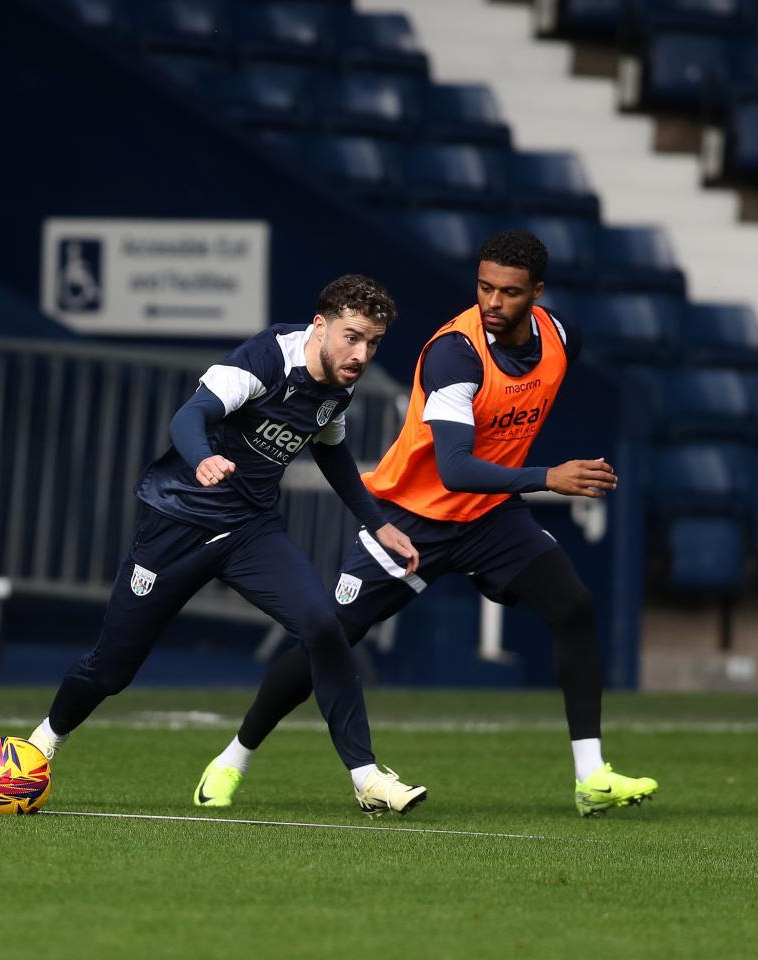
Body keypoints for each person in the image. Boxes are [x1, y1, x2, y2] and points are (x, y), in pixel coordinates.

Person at [192, 230, 658, 818]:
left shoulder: (563, 337)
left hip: (488, 517)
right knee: (329, 640)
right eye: (484, 286)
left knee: (573, 606)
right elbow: (456, 467)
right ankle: (234, 757)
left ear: (537, 293)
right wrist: (549, 477)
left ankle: (591, 777)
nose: (492, 302)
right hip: (411, 518)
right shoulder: (453, 353)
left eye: (509, 293)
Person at [28, 275, 429, 816]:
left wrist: (376, 522)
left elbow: (330, 449)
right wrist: (202, 458)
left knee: (323, 626)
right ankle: (43, 743)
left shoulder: (340, 382)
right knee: (111, 669)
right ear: (320, 325)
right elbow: (189, 415)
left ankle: (365, 776)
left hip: (250, 530)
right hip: (177, 522)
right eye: (352, 337)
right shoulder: (264, 359)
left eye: (373, 343)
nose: (361, 354)